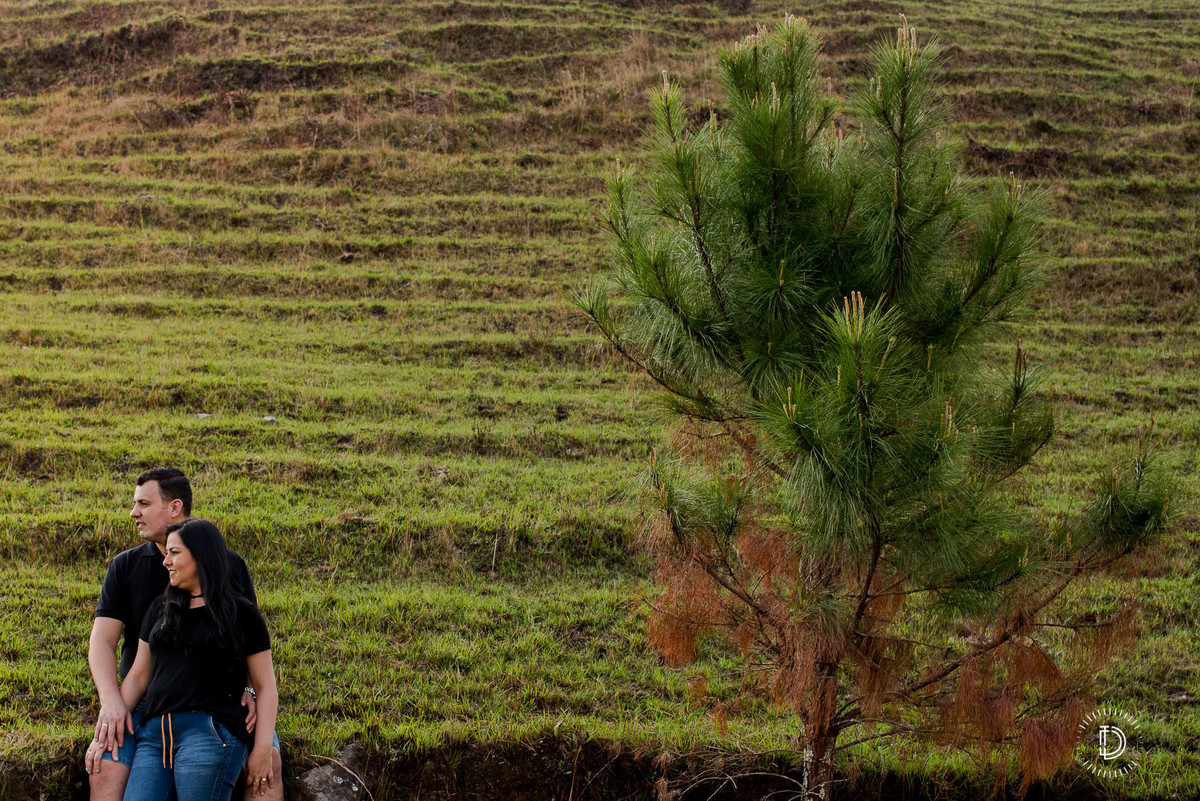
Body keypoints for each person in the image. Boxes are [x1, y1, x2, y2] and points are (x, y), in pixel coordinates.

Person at [85, 468, 283, 800]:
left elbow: (253, 655)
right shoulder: (138, 580)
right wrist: (111, 706)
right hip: (149, 711)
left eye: (143, 504)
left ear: (175, 507)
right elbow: (110, 649)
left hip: (215, 709)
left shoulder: (231, 571)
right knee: (104, 764)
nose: (133, 512)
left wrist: (247, 689)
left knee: (268, 766)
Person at [118, 518, 278, 801]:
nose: (166, 561)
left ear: (201, 555)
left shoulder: (242, 614)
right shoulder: (160, 609)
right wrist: (107, 728)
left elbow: (265, 686)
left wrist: (263, 749)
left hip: (209, 734)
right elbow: (138, 677)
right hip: (154, 737)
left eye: (174, 552)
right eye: (166, 553)